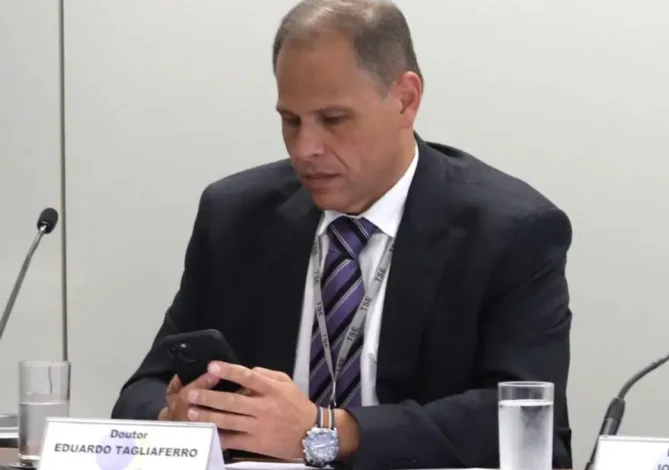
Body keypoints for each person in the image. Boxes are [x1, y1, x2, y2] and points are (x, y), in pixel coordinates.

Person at [111, 0, 575, 468]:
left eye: (333, 120)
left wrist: (328, 430)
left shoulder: (511, 231)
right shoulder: (235, 217)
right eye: (290, 120)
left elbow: (526, 422)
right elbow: (141, 392)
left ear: (405, 99)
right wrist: (176, 418)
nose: (305, 149)